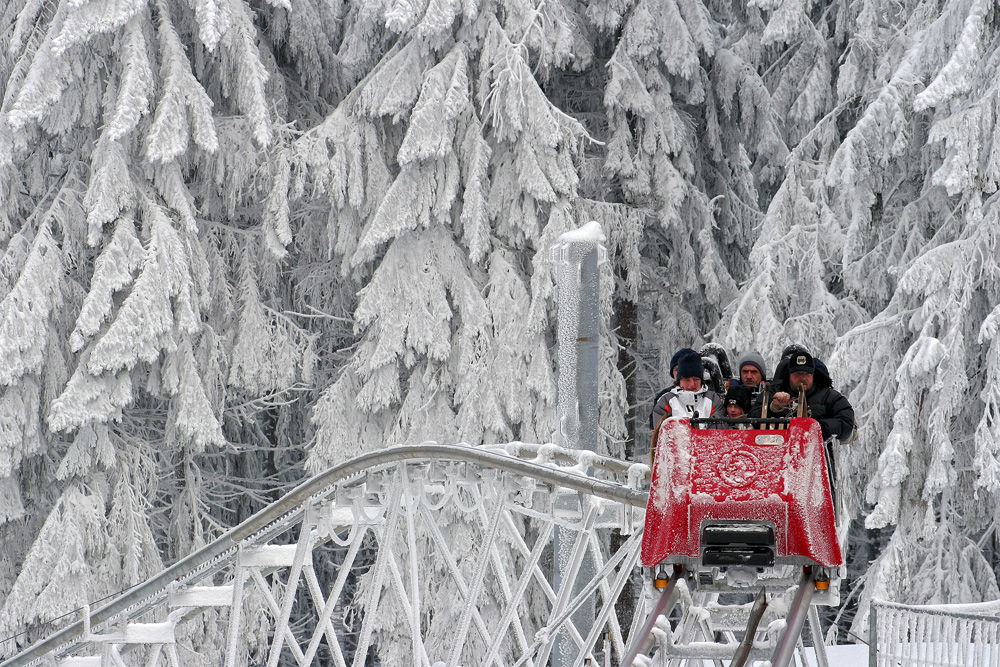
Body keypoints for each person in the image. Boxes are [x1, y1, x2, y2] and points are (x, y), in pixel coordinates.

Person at [756, 351, 854, 442]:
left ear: (813, 375)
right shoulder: (772, 393)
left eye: (807, 374)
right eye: (798, 374)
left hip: (814, 454)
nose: (803, 378)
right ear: (789, 374)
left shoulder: (828, 396)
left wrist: (816, 427)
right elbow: (752, 419)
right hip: (774, 452)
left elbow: (846, 423)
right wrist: (773, 407)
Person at [649, 350, 723, 428]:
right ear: (679, 381)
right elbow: (660, 430)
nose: (691, 384)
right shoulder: (666, 401)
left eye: (696, 379)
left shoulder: (713, 400)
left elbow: (719, 430)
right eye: (686, 380)